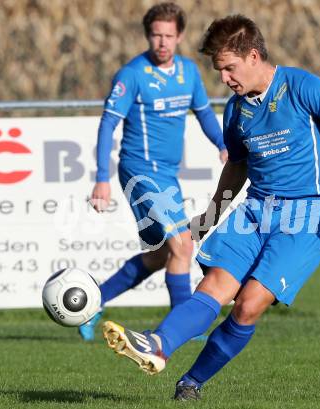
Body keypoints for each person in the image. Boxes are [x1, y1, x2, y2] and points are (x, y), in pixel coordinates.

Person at [101, 15, 320, 400]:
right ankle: (158, 344)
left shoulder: (301, 86)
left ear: (253, 56)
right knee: (214, 286)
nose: (224, 78)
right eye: (219, 70)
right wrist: (210, 216)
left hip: (308, 217)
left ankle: (192, 382)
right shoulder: (237, 110)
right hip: (256, 210)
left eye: (228, 68)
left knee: (249, 305)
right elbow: (237, 167)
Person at [79, 2, 227, 341]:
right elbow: (108, 126)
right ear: (148, 36)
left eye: (169, 36)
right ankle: (186, 325)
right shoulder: (132, 75)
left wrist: (222, 143)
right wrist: (102, 178)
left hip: (167, 175)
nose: (162, 42)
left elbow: (204, 114)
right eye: (156, 35)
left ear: (180, 37)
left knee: (166, 253)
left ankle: (92, 303)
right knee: (182, 244)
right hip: (139, 171)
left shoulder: (188, 72)